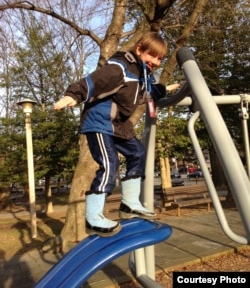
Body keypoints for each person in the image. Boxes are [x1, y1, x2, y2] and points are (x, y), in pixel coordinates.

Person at [54, 32, 179, 237]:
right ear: (139, 49)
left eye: (160, 59)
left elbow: (147, 92)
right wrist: (73, 95)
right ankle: (93, 218)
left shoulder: (140, 74)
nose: (156, 62)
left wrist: (164, 90)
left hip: (117, 125)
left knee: (138, 153)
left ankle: (129, 204)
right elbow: (95, 81)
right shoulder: (120, 67)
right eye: (152, 56)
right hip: (100, 122)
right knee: (110, 163)